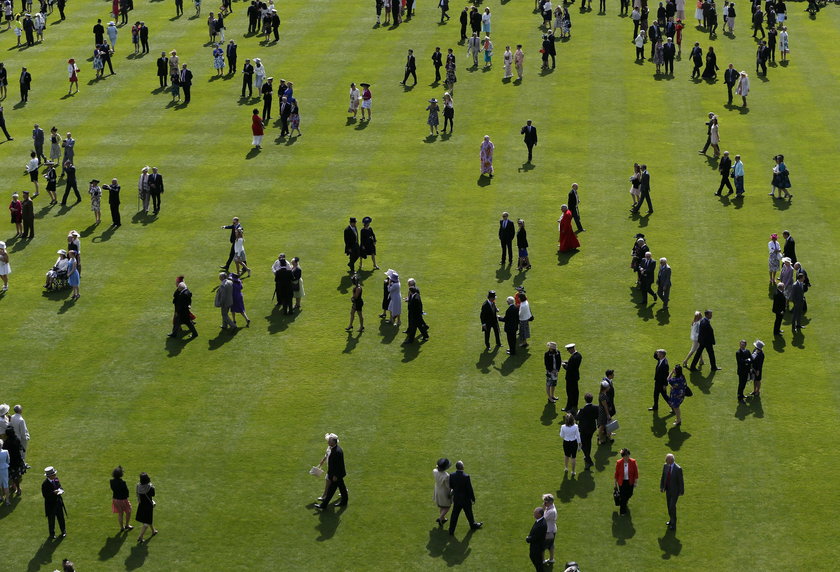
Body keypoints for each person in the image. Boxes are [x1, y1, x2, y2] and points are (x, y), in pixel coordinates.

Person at [447, 460, 482, 535]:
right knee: (469, 513)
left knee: (454, 515)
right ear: (462, 467)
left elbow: (451, 485)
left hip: (457, 499)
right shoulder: (466, 477)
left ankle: (451, 530)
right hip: (465, 499)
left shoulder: (452, 475)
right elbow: (469, 489)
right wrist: (473, 498)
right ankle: (473, 525)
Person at [315, 434, 347, 508]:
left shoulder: (337, 451)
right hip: (335, 474)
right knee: (342, 488)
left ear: (334, 442)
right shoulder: (333, 448)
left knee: (331, 490)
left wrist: (335, 475)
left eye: (329, 441)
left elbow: (338, 465)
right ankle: (344, 501)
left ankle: (324, 505)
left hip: (336, 475)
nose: (328, 442)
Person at [660, 454, 684, 530]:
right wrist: (662, 487)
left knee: (672, 507)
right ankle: (671, 520)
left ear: (671, 460)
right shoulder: (666, 466)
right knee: (668, 506)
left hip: (675, 492)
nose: (665, 461)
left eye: (667, 459)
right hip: (668, 490)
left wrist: (681, 491)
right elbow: (663, 477)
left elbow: (681, 481)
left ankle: (673, 524)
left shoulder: (678, 469)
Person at [42, 466, 67, 539]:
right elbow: (45, 495)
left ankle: (63, 531)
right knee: (51, 520)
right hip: (50, 505)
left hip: (58, 502)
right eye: (54, 475)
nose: (55, 476)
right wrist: (53, 493)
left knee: (61, 518)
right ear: (49, 476)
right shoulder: (45, 484)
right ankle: (52, 534)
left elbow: (60, 486)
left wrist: (61, 490)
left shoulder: (56, 479)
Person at [614, 449, 638, 515]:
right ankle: (622, 511)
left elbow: (636, 472)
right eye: (626, 456)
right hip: (622, 482)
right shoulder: (619, 462)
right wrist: (615, 483)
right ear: (623, 456)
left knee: (630, 494)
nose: (627, 457)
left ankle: (624, 501)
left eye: (628, 455)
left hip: (630, 482)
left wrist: (635, 482)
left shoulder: (633, 462)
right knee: (623, 496)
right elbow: (616, 473)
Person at [135, 472, 157, 542]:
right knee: (146, 523)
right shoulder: (150, 487)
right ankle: (140, 537)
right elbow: (153, 494)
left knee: (147, 519)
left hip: (141, 505)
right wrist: (152, 485)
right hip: (148, 506)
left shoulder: (138, 486)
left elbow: (137, 494)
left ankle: (153, 531)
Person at [110, 466, 133, 531]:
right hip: (123, 499)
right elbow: (126, 491)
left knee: (120, 513)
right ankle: (127, 525)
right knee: (128, 511)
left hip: (115, 499)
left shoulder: (111, 481)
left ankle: (122, 527)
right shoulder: (123, 482)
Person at [562, 343, 582, 413]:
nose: (568, 351)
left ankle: (571, 407)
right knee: (573, 392)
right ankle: (570, 407)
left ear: (571, 349)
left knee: (570, 393)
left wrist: (564, 365)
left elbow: (570, 368)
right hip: (575, 377)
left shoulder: (573, 357)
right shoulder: (578, 355)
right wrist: (568, 362)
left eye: (569, 350)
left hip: (571, 378)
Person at [526, 506, 547, 572]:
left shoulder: (541, 525)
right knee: (536, 561)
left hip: (537, 547)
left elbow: (536, 537)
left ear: (540, 514)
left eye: (535, 513)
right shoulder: (540, 521)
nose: (534, 514)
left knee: (537, 562)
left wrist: (528, 539)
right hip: (536, 546)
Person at [433, 458, 452, 527]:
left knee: (442, 505)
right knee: (447, 506)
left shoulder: (434, 471)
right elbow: (448, 486)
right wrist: (451, 491)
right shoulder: (446, 476)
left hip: (437, 490)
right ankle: (441, 518)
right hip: (444, 492)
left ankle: (443, 518)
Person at [542, 494, 557, 565]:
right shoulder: (551, 507)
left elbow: (542, 518)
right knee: (551, 545)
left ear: (549, 502)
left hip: (548, 531)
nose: (544, 503)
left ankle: (543, 560)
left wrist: (543, 508)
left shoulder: (551, 511)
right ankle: (551, 559)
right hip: (552, 530)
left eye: (545, 502)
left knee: (542, 546)